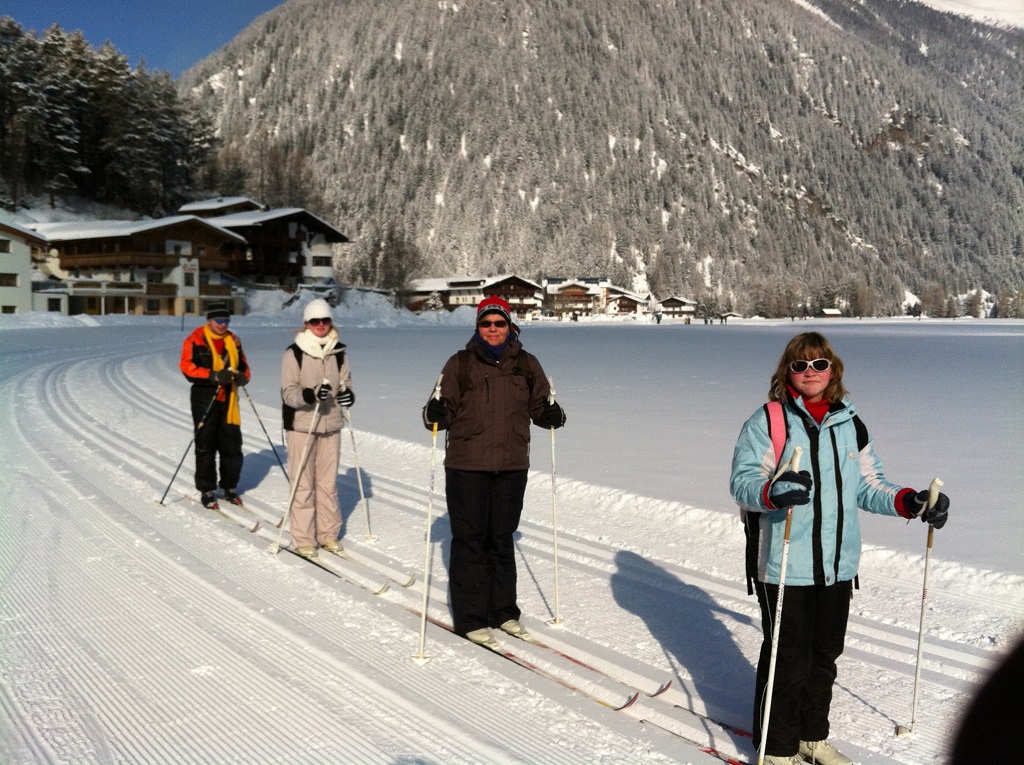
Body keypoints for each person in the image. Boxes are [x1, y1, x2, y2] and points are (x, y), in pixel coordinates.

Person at [729, 332, 950, 765]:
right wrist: (774, 491)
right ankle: (777, 750)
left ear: (833, 370)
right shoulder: (768, 420)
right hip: (784, 561)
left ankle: (811, 737)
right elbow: (743, 482)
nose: (810, 373)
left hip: (837, 564)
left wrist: (910, 501)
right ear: (786, 372)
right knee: (786, 659)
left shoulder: (851, 423)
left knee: (824, 656)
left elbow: (868, 484)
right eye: (800, 365)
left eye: (818, 364)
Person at [422, 295, 566, 646]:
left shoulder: (527, 364)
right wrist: (436, 412)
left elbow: (542, 405)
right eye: (486, 323)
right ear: (478, 327)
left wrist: (554, 415)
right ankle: (471, 618)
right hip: (467, 465)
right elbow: (435, 410)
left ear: (509, 325)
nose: (492, 329)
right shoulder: (460, 364)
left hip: (511, 465)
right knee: (470, 541)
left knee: (501, 539)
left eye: (498, 323)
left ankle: (503, 612)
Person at [280, 298, 354, 559]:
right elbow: (288, 392)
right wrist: (310, 395)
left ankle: (328, 534)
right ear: (306, 324)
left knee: (328, 483)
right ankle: (302, 538)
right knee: (303, 483)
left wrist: (347, 395)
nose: (320, 325)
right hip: (302, 426)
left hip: (331, 425)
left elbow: (345, 383)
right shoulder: (295, 353)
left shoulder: (339, 351)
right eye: (315, 321)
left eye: (325, 320)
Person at [179, 301, 251, 509]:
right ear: (209, 321)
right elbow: (187, 368)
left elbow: (244, 368)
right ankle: (207, 489)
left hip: (229, 400)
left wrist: (242, 378)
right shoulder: (195, 340)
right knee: (205, 446)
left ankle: (229, 487)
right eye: (219, 320)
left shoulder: (233, 342)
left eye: (226, 320)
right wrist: (213, 376)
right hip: (204, 397)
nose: (223, 324)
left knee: (232, 446)